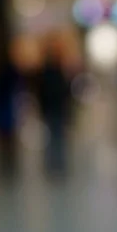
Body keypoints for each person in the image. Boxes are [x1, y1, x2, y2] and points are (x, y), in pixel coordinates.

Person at [36, 40, 72, 175]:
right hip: (52, 109)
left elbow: (64, 92)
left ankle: (58, 164)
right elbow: (42, 93)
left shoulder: (56, 72)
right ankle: (53, 165)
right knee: (53, 138)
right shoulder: (47, 73)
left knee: (57, 138)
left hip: (56, 109)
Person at [0, 58, 21, 179]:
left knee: (6, 144)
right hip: (6, 119)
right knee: (7, 144)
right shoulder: (6, 93)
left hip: (5, 119)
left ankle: (7, 165)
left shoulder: (3, 91)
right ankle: (8, 165)